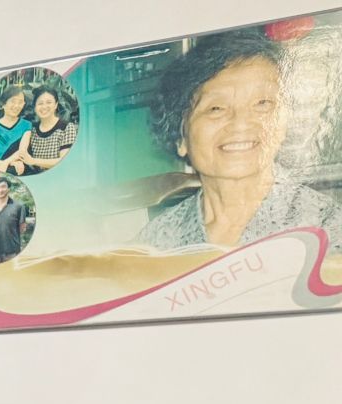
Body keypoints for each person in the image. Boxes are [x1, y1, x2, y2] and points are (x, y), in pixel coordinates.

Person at [137, 29, 342, 250]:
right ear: (180, 138)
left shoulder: (325, 226)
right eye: (216, 108)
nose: (240, 123)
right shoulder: (155, 244)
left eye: (262, 103)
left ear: (284, 124)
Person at [19, 88, 77, 175]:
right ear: (35, 107)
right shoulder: (31, 129)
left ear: (56, 105)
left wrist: (33, 161)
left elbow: (64, 161)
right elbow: (21, 153)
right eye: (40, 103)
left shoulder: (67, 128)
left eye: (49, 102)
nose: (44, 107)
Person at [0, 85, 33, 175]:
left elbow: (22, 152)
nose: (16, 106)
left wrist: (6, 163)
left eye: (20, 102)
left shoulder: (26, 125)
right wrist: (11, 163)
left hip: (19, 172)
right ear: (3, 104)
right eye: (13, 101)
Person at [0, 176, 28, 263]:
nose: (1, 190)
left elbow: (22, 229)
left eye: (3, 186)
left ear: (8, 189)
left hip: (12, 253)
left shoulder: (19, 206)